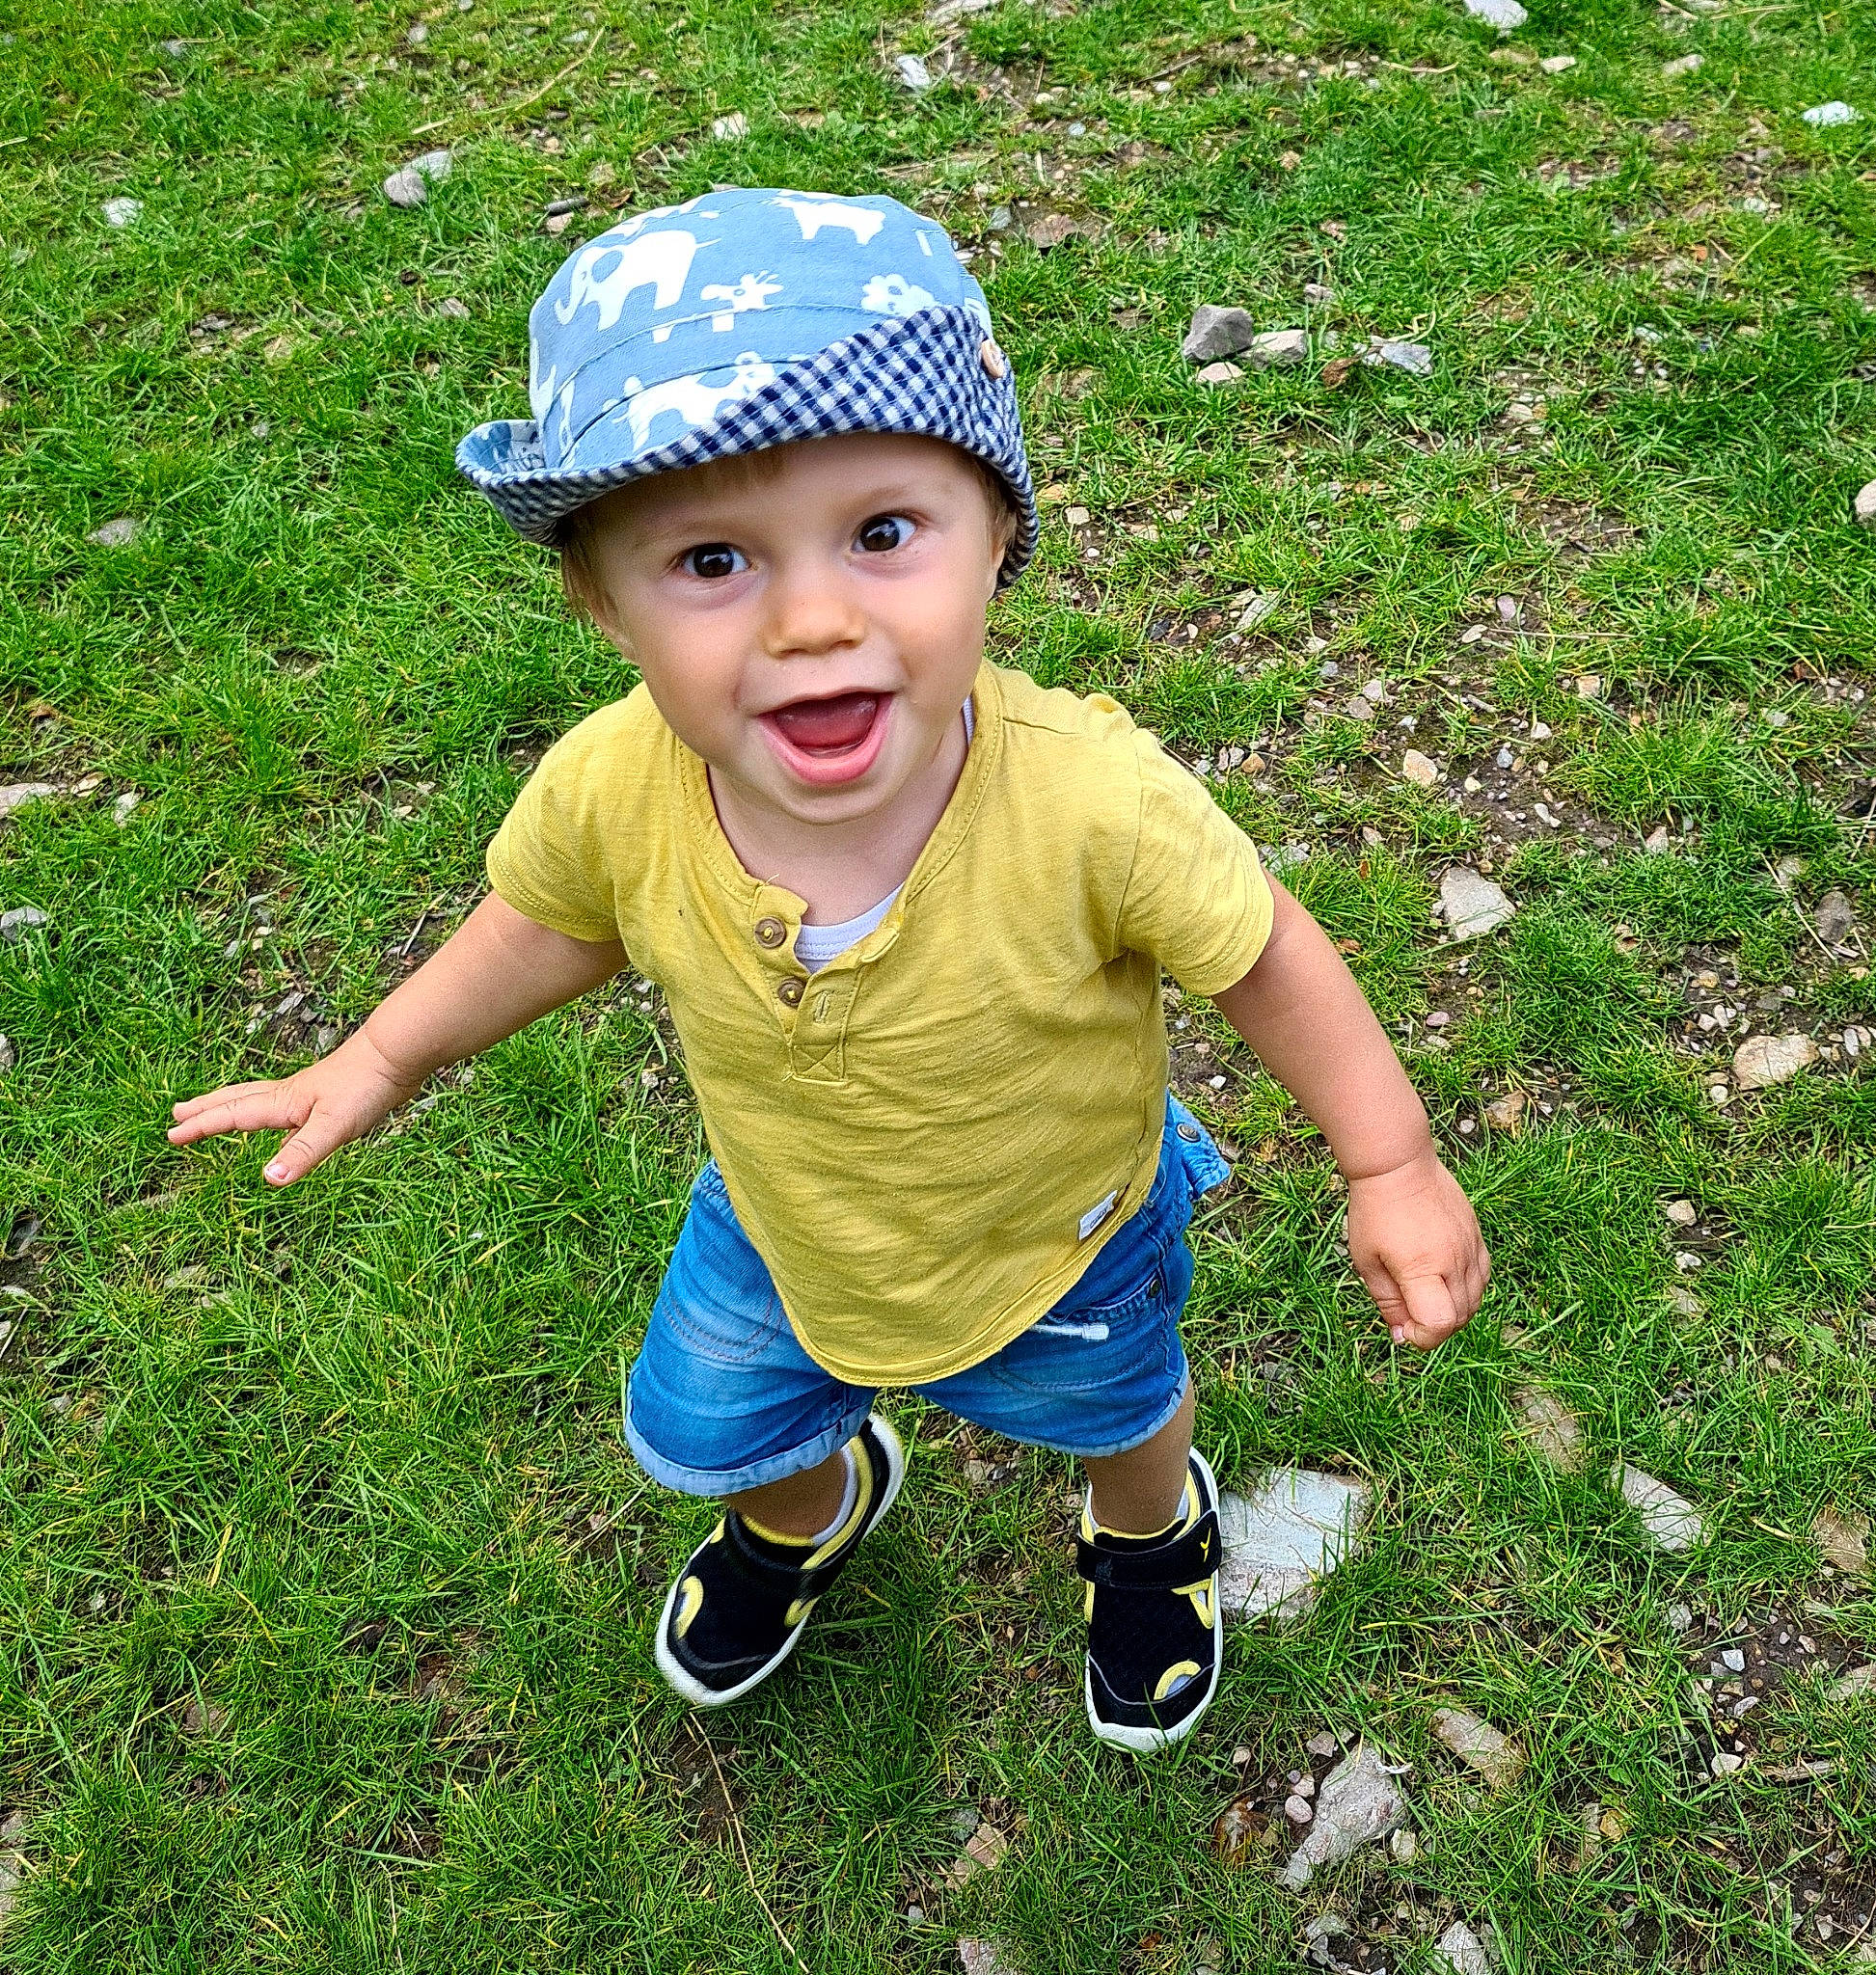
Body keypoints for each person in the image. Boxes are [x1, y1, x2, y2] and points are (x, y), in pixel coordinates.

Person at [168, 187, 1489, 1753]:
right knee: (710, 1431)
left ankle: (1147, 1539)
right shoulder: (615, 788)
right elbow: (548, 924)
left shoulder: (1091, 801)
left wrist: (1390, 1156)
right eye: (712, 558)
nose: (809, 619)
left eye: (881, 534)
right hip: (784, 1224)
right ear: (602, 600)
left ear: (997, 533)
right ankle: (813, 1508)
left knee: (1118, 1413)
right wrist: (381, 1058)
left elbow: (1263, 952)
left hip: (1058, 1233)